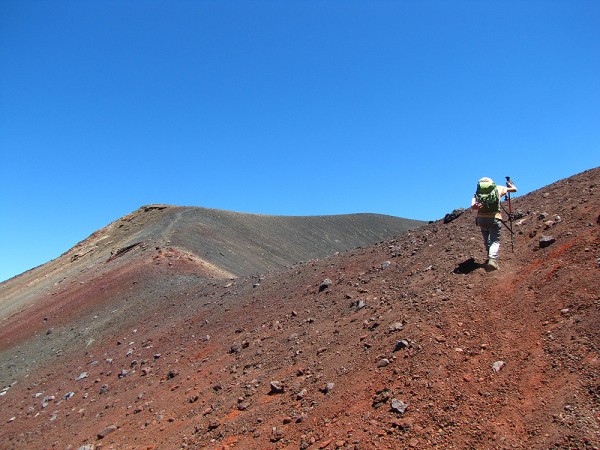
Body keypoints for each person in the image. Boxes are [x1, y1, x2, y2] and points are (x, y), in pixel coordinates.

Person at [471, 177, 517, 270]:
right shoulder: (498, 188)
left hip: (481, 219)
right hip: (494, 218)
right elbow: (514, 189)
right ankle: (492, 260)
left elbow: (473, 207)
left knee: (486, 239)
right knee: (494, 241)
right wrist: (510, 185)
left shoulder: (477, 193)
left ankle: (489, 256)